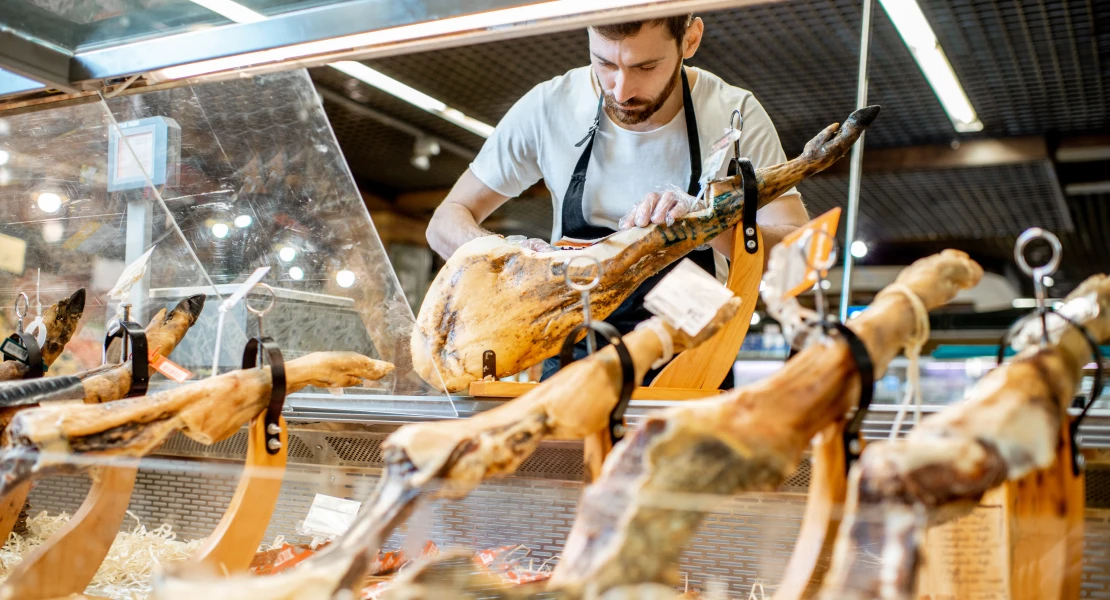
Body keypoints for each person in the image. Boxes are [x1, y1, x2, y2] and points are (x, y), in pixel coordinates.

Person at [426, 14, 809, 384]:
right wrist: (503, 256)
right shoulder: (549, 107)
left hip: (692, 367)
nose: (621, 90)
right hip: (572, 364)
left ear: (690, 39)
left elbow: (800, 262)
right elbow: (445, 221)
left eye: (646, 67)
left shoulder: (732, 112)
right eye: (604, 63)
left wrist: (707, 224)